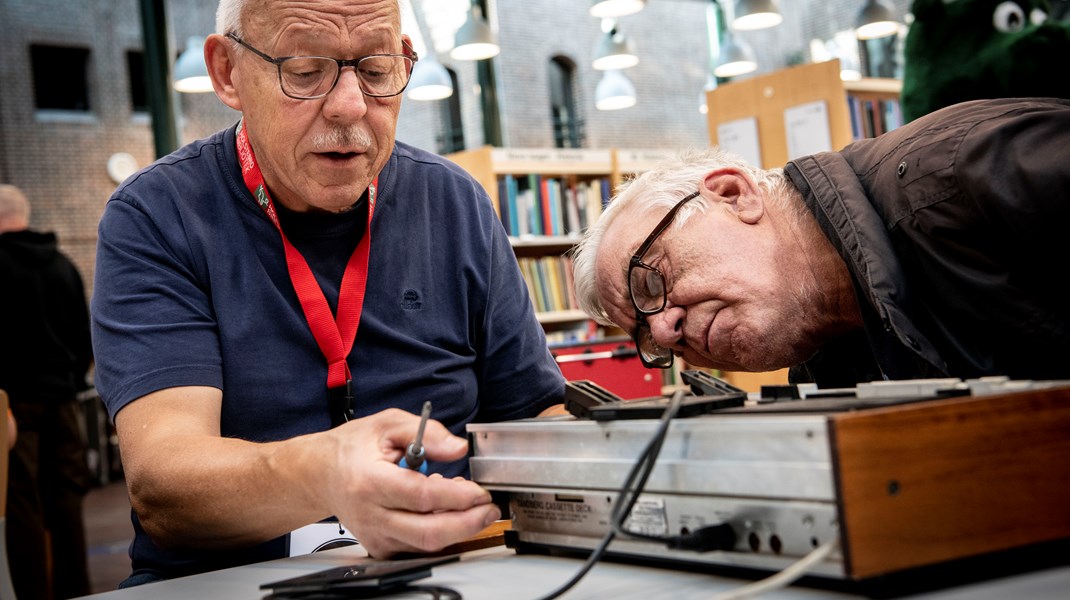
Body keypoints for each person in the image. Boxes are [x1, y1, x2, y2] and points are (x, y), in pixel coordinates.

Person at [90, 0, 564, 586]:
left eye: (375, 68)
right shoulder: (157, 216)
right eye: (305, 69)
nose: (349, 105)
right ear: (227, 73)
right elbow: (165, 485)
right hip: (231, 581)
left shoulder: (456, 203)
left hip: (450, 569)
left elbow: (536, 413)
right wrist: (325, 472)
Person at [571, 97, 1070, 388]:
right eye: (647, 336)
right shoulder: (824, 376)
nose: (667, 329)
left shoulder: (966, 174)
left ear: (733, 194)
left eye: (650, 281)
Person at [0, 184, 94, 600]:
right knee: (67, 501)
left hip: (13, 405)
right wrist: (72, 379)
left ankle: (31, 591)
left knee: (21, 504)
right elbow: (85, 334)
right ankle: (76, 590)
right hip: (64, 400)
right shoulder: (63, 265)